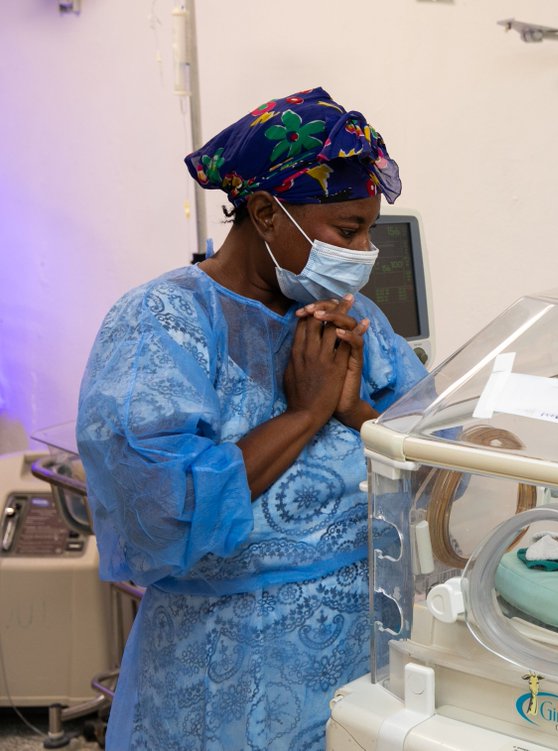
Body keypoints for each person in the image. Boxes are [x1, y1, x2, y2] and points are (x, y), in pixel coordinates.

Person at [75, 87, 427, 750]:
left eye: (370, 229)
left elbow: (435, 466)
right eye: (348, 230)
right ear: (266, 214)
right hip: (223, 682)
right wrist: (305, 413)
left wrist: (355, 411)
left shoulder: (360, 323)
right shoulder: (163, 325)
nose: (365, 250)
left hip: (358, 674)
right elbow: (162, 509)